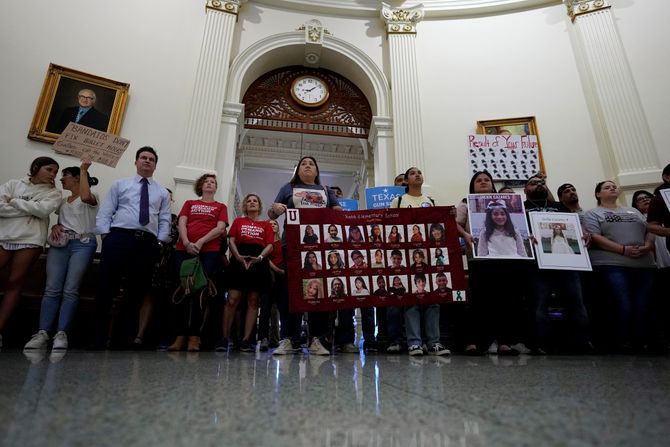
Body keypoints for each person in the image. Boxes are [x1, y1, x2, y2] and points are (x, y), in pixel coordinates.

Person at [90, 146, 172, 349]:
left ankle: (123, 340)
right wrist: (106, 236)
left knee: (135, 292)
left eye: (151, 159)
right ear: (136, 162)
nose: (147, 161)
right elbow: (106, 211)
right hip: (119, 238)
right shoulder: (120, 185)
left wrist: (160, 242)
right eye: (143, 158)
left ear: (155, 165)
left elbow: (164, 219)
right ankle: (96, 339)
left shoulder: (161, 192)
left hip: (146, 243)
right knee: (106, 288)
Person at [268, 156, 341, 356]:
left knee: (317, 289)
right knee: (290, 290)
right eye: (303, 164)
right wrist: (275, 209)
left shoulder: (327, 191)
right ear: (297, 170)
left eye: (311, 164)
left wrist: (336, 211)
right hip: (291, 246)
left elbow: (338, 213)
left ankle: (317, 338)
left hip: (319, 247)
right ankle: (289, 338)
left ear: (317, 171)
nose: (307, 166)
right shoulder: (287, 189)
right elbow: (272, 214)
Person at [24, 157, 99, 351]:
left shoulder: (92, 195)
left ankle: (62, 333)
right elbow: (58, 217)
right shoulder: (62, 201)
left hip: (82, 244)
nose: (61, 179)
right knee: (52, 288)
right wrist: (56, 225)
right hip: (61, 244)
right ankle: (42, 332)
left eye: (65, 175)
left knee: (71, 289)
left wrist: (84, 169)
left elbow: (84, 197)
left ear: (76, 178)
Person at [456, 170, 524, 356]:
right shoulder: (465, 203)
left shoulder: (505, 204)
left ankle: (504, 343)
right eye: (479, 180)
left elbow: (519, 225)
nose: (483, 182)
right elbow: (456, 223)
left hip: (507, 258)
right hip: (479, 259)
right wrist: (465, 234)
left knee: (506, 300)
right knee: (480, 300)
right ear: (473, 185)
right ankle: (473, 342)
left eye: (487, 179)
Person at [584, 181, 655, 353]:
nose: (612, 188)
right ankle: (621, 340)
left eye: (614, 186)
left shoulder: (634, 211)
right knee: (621, 303)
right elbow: (594, 236)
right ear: (598, 194)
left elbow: (650, 229)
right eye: (607, 187)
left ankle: (641, 341)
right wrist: (623, 249)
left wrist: (647, 245)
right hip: (612, 263)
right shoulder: (593, 213)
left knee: (642, 304)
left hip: (643, 263)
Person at [524, 174, 591, 354]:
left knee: (577, 302)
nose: (538, 185)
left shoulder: (560, 207)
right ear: (525, 190)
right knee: (540, 303)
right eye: (533, 183)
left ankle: (581, 343)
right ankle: (541, 344)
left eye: (541, 183)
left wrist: (583, 234)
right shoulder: (521, 209)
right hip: (537, 265)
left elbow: (576, 227)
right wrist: (525, 237)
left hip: (568, 263)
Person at [0, 157, 62, 348]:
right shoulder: (13, 184)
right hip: (4, 236)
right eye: (49, 169)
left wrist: (16, 202)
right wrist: (29, 208)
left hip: (31, 239)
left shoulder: (54, 194)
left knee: (15, 282)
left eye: (55, 172)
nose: (52, 174)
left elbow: (43, 212)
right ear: (36, 168)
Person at [390, 167, 449, 356]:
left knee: (432, 300)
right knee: (411, 300)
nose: (418, 175)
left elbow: (437, 227)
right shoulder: (398, 201)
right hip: (407, 257)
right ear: (406, 180)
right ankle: (414, 342)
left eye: (420, 172)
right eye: (413, 173)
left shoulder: (430, 201)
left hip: (429, 257)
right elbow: (392, 228)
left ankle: (434, 342)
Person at [167, 174, 228, 352]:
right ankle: (180, 336)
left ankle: (195, 336)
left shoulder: (220, 206)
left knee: (200, 291)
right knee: (183, 289)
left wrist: (200, 243)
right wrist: (186, 242)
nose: (210, 184)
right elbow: (182, 223)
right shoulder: (189, 203)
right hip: (183, 249)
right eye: (207, 181)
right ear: (201, 186)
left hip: (208, 251)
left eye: (213, 182)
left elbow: (220, 228)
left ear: (215, 188)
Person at [218, 193, 273, 353]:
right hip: (239, 258)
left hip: (258, 260)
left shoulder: (266, 225)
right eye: (249, 201)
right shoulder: (238, 221)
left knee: (253, 300)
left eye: (255, 200)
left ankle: (246, 340)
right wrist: (237, 257)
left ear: (259, 205)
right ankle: (224, 337)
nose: (252, 203)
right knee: (233, 299)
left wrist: (260, 257)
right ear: (245, 206)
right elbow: (232, 240)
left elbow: (270, 245)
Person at [257, 219, 284, 352]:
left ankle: (276, 338)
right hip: (267, 277)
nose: (273, 225)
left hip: (281, 279)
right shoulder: (264, 242)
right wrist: (276, 269)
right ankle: (264, 338)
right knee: (266, 307)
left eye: (275, 224)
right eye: (270, 224)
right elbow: (264, 257)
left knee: (277, 309)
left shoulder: (282, 243)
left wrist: (280, 271)